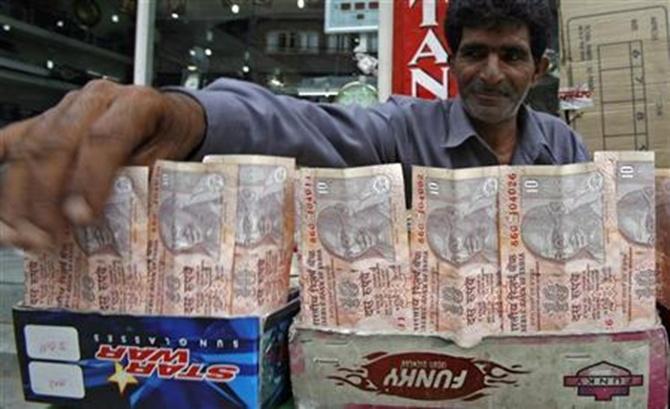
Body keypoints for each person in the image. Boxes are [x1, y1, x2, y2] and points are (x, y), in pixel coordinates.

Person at [0, 0, 589, 251]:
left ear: (537, 68)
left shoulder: (566, 148)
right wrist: (181, 116)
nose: (490, 73)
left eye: (510, 56)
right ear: (451, 58)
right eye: (475, 53)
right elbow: (301, 125)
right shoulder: (403, 132)